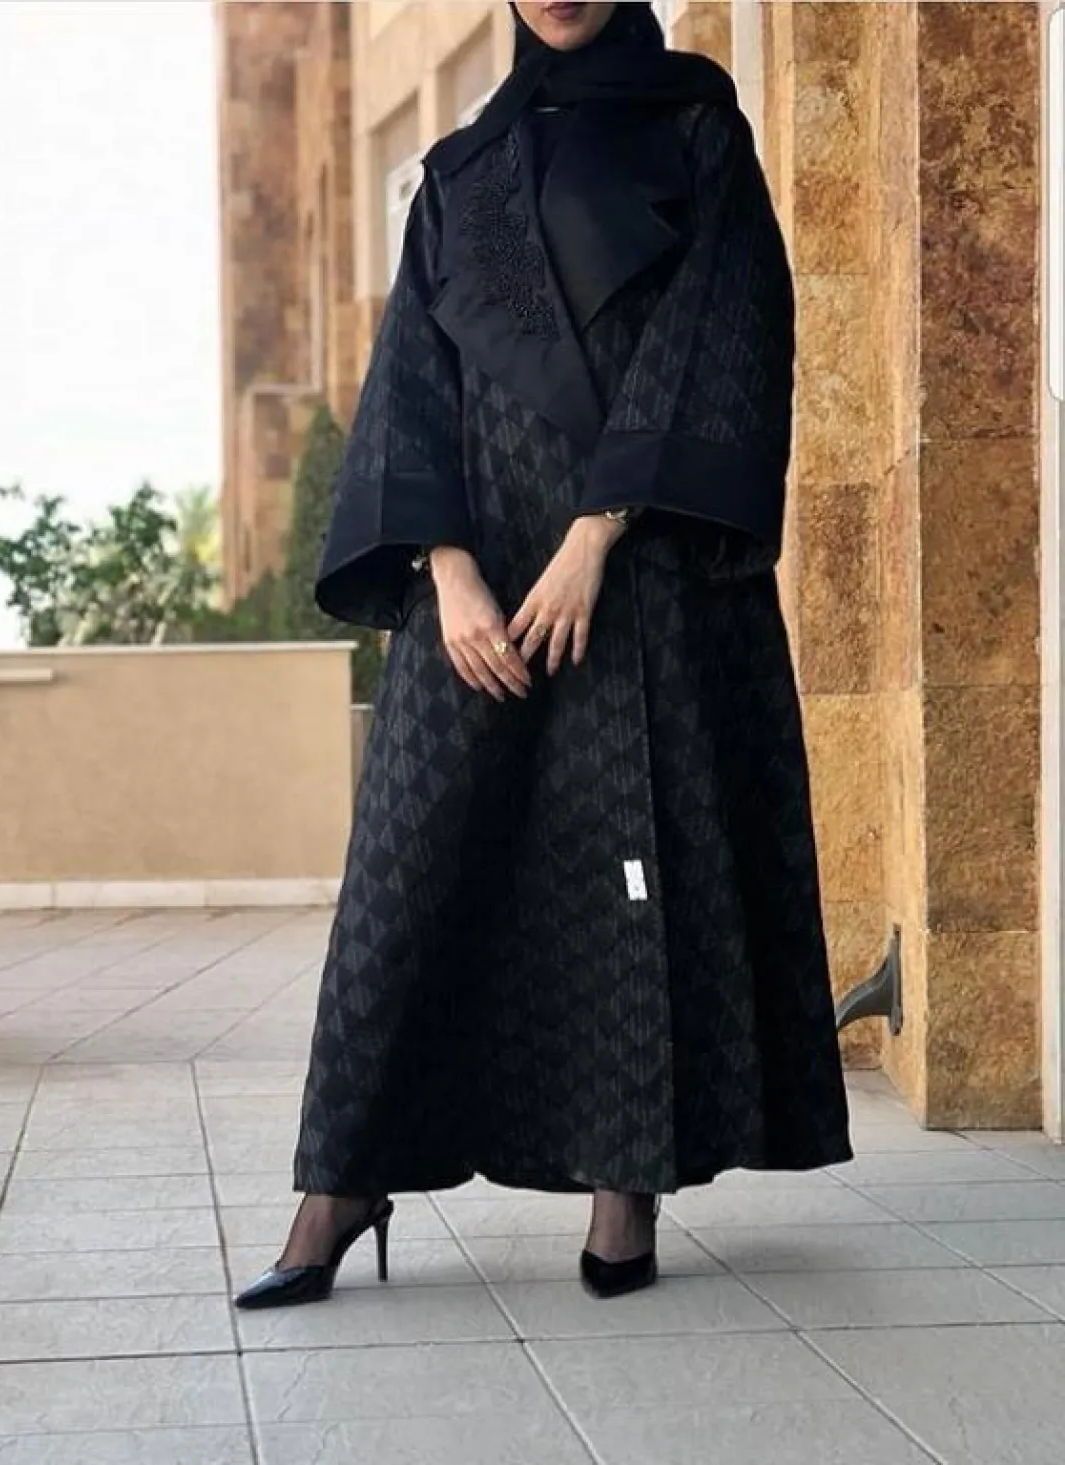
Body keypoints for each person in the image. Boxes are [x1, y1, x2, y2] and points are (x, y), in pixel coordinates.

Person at [236, 0, 852, 1310]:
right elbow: (411, 385)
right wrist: (447, 571)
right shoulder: (460, 174)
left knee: (627, 863)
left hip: (641, 575)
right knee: (405, 872)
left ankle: (624, 1181)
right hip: (476, 582)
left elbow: (720, 338)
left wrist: (597, 534)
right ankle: (342, 1181)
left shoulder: (695, 125)